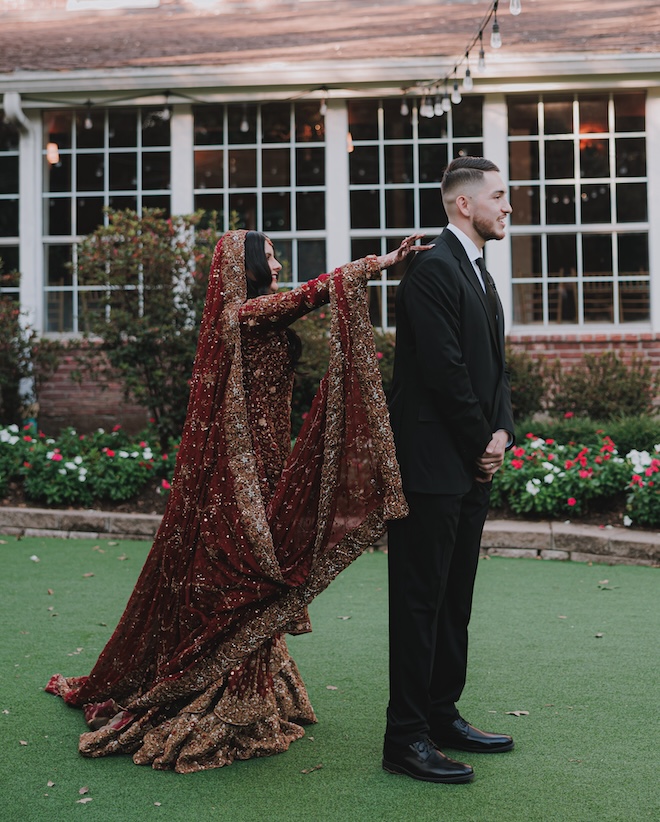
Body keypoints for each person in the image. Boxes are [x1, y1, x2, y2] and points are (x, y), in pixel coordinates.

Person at [46, 228, 429, 773]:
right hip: (240, 477)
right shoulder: (245, 315)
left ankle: (256, 691)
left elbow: (297, 300)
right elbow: (312, 293)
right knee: (247, 577)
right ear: (243, 266)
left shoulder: (259, 312)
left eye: (276, 256)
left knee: (258, 573)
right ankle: (226, 700)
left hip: (271, 465)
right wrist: (383, 261)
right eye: (267, 256)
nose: (276, 264)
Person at [383, 157, 516, 784]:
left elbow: (495, 370)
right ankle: (404, 737)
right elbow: (443, 373)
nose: (507, 206)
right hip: (433, 466)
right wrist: (479, 441)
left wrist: (502, 433)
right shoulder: (432, 272)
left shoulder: (479, 272)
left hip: (470, 466)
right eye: (499, 196)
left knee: (453, 599)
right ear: (464, 204)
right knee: (419, 602)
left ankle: (441, 713)